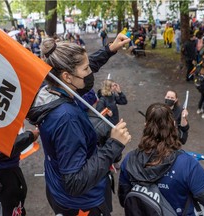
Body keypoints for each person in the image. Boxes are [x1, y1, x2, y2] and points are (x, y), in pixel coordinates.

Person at [27, 33, 131, 216]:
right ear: (67, 77)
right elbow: (74, 182)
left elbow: (81, 66)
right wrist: (113, 144)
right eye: (86, 69)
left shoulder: (51, 89)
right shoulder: (66, 118)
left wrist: (109, 49)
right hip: (82, 204)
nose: (90, 72)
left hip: (57, 188)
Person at [118, 103, 204, 216]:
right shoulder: (187, 164)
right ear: (174, 124)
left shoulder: (130, 160)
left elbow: (124, 200)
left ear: (145, 125)